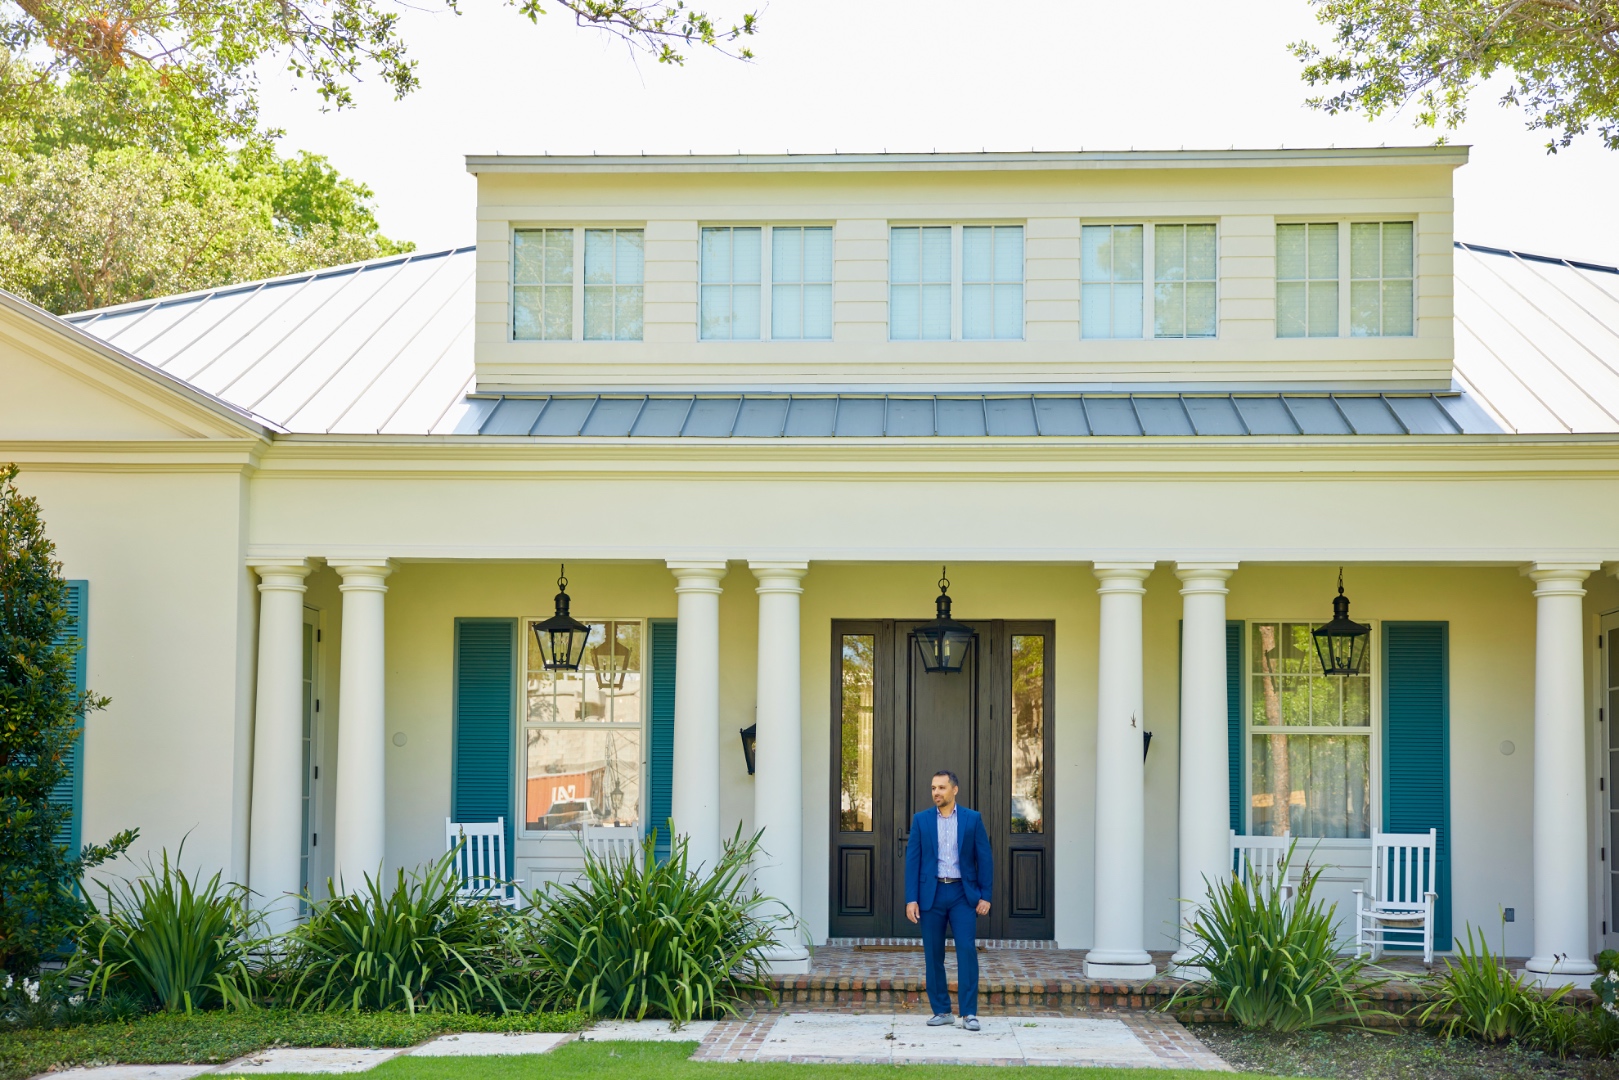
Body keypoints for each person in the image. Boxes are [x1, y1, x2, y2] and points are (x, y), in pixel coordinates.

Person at [904, 769, 993, 1031]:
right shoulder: (920, 821)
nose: (936, 793)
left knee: (966, 951)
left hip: (962, 895)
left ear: (954, 790)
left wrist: (985, 895)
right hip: (930, 895)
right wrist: (911, 899)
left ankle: (969, 1014)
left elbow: (984, 858)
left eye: (941, 788)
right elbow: (913, 862)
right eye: (933, 788)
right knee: (933, 954)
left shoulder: (972, 819)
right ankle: (942, 1010)